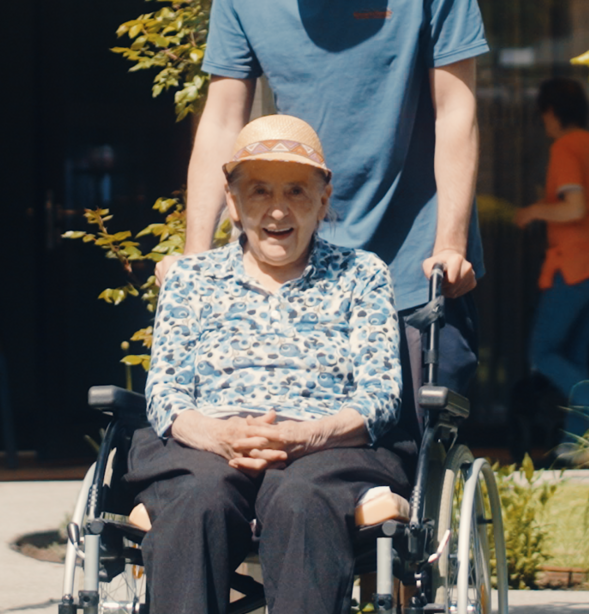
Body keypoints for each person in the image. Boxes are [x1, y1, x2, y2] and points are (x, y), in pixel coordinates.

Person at [165, 0, 492, 393]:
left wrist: (449, 244)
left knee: (406, 445)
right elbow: (222, 118)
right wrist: (194, 253)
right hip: (292, 261)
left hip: (412, 263)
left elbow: (455, 110)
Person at [128, 115, 405, 614]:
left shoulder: (361, 276)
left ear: (323, 201)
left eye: (297, 191)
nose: (278, 210)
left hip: (327, 448)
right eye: (259, 191)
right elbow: (166, 392)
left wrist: (304, 437)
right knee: (197, 501)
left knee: (302, 500)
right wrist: (219, 436)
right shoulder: (192, 278)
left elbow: (380, 396)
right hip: (206, 445)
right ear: (233, 202)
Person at [511, 78, 589, 459]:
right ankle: (575, 445)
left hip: (575, 264)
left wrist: (533, 210)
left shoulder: (565, 147)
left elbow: (574, 208)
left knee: (543, 353)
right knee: (575, 355)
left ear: (550, 112)